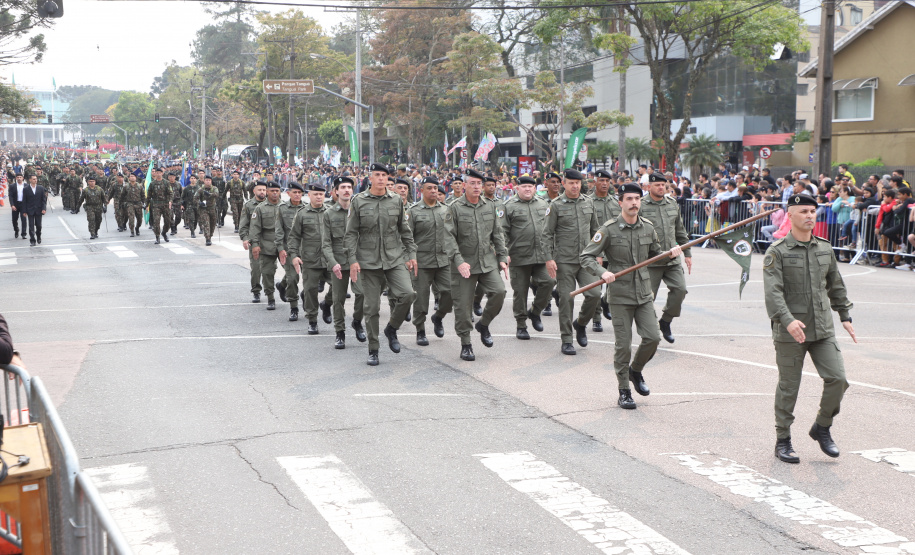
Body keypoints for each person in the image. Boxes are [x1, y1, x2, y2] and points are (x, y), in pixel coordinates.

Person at [764, 194, 856, 464]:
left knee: (838, 379)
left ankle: (822, 427)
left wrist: (845, 314)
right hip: (790, 330)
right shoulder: (777, 252)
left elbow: (835, 284)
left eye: (813, 211)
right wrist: (787, 319)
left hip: (822, 328)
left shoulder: (824, 248)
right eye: (803, 211)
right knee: (789, 387)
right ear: (790, 215)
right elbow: (773, 293)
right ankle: (783, 440)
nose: (810, 216)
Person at [581, 183, 682, 410]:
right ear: (621, 202)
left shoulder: (647, 228)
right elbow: (586, 257)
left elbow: (656, 255)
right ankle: (624, 390)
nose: (634, 203)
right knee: (623, 345)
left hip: (643, 293)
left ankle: (635, 371)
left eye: (637, 198)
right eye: (629, 199)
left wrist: (672, 252)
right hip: (619, 295)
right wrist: (603, 271)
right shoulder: (608, 230)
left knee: (653, 338)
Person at [344, 163, 417, 366]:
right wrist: (352, 261)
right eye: (377, 175)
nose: (381, 178)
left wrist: (412, 254)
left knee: (408, 294)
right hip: (369, 262)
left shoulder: (395, 201)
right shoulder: (358, 201)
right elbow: (350, 234)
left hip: (394, 259)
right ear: (370, 178)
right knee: (372, 308)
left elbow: (405, 230)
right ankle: (373, 349)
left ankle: (392, 328)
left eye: (384, 175)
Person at [443, 168, 509, 361]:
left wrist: (503, 258)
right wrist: (459, 261)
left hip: (487, 261)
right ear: (465, 186)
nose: (476, 187)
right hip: (464, 264)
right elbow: (449, 237)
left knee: (499, 292)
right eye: (472, 183)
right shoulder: (454, 207)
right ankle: (466, 343)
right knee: (463, 306)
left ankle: (484, 324)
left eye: (479, 184)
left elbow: (497, 233)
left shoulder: (489, 206)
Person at [541, 168, 601, 356]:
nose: (575, 186)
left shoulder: (588, 202)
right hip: (564, 260)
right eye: (571, 183)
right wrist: (549, 259)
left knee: (595, 294)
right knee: (566, 299)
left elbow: (596, 231)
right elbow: (546, 234)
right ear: (564, 184)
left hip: (586, 259)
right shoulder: (556, 205)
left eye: (578, 183)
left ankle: (580, 324)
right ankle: (567, 339)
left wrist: (599, 253)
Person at [639, 172, 692, 343]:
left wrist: (688, 254)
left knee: (680, 290)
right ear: (649, 187)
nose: (661, 188)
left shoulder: (672, 204)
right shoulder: (641, 205)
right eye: (657, 185)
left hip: (672, 258)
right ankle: (650, 332)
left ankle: (666, 321)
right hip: (650, 261)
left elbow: (680, 230)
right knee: (648, 299)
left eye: (664, 185)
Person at [501, 175, 554, 340]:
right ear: (517, 188)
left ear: (535, 188)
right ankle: (521, 325)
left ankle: (535, 311)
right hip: (519, 256)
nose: (528, 189)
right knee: (520, 292)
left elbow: (551, 229)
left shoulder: (544, 204)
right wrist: (504, 254)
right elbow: (502, 232)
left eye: (531, 187)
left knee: (549, 282)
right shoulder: (508, 206)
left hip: (542, 255)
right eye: (524, 187)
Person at [407, 176, 453, 346]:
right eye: (429, 188)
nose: (434, 191)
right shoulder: (413, 211)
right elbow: (407, 237)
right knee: (421, 299)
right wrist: (409, 258)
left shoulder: (446, 210)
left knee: (450, 293)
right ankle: (420, 330)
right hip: (422, 262)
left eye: (435, 188)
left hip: (443, 260)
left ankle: (438, 316)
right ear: (421, 191)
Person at [321, 176, 366, 348]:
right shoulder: (329, 214)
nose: (347, 190)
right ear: (336, 191)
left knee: (361, 294)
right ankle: (340, 333)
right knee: (338, 299)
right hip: (338, 262)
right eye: (343, 187)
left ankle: (356, 321)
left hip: (357, 262)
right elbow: (325, 243)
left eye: (349, 187)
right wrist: (332, 263)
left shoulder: (359, 210)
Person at [289, 183, 331, 334]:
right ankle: (312, 320)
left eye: (321, 194)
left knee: (339, 287)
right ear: (310, 195)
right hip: (310, 260)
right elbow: (294, 237)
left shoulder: (331, 212)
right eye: (316, 194)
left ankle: (327, 303)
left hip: (330, 259)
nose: (319, 197)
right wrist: (294, 256)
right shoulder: (302, 213)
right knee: (310, 290)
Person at [588, 169, 620, 330]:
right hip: (596, 250)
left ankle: (606, 301)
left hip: (613, 250)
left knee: (615, 283)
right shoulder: (587, 202)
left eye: (607, 181)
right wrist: (595, 252)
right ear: (595, 182)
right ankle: (596, 318)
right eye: (601, 181)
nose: (605, 184)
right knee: (596, 285)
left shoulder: (615, 202)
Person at [274, 182, 307, 322]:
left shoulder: (306, 208)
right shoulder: (282, 209)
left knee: (311, 280)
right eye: (295, 192)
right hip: (289, 250)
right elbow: (279, 230)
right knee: (293, 278)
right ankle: (294, 307)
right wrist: (280, 249)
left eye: (300, 193)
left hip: (306, 250)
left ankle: (305, 296)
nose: (297, 195)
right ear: (288, 193)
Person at [250, 181, 284, 310]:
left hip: (284, 245)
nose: (275, 193)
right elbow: (255, 228)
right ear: (268, 192)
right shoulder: (260, 208)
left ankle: (284, 286)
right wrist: (255, 244)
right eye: (272, 191)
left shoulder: (285, 206)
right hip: (267, 245)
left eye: (277, 191)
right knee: (267, 273)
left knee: (292, 273)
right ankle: (270, 298)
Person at [239, 181, 267, 303]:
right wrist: (245, 238)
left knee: (271, 268)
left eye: (264, 190)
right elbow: (244, 225)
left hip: (271, 241)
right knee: (256, 267)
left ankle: (272, 290)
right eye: (259, 190)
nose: (262, 192)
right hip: (255, 241)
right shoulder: (249, 205)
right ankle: (256, 291)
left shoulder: (273, 204)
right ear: (254, 191)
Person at [146, 168, 172, 244]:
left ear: (162, 173)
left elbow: (170, 193)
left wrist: (170, 201)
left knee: (168, 222)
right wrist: (147, 204)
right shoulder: (152, 183)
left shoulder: (166, 183)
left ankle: (164, 232)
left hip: (165, 204)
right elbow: (149, 195)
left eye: (159, 172)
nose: (158, 174)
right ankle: (157, 236)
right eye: (156, 173)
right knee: (156, 222)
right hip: (156, 205)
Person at [22, 174, 47, 245]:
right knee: (31, 226)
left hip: (39, 210)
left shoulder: (40, 188)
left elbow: (43, 200)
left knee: (39, 226)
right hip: (30, 210)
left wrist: (43, 208)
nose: (35, 180)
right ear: (30, 180)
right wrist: (24, 211)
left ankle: (38, 235)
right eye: (33, 179)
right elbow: (24, 200)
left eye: (36, 179)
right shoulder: (26, 189)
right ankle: (32, 240)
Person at [9, 174, 27, 240]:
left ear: (23, 178)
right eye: (18, 177)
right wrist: (12, 205)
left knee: (24, 219)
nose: (19, 178)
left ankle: (24, 234)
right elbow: (10, 196)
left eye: (20, 177)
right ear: (16, 178)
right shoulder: (12, 186)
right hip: (15, 205)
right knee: (14, 220)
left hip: (23, 205)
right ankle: (16, 230)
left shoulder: (26, 186)